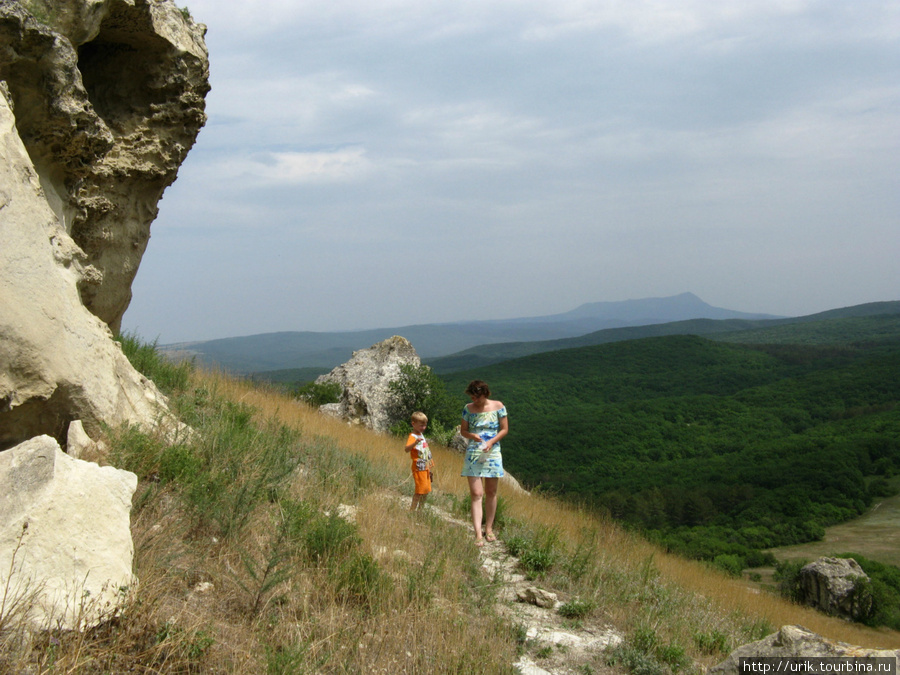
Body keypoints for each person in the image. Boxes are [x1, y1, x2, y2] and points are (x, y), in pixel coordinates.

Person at [459, 380, 508, 546]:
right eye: (472, 396)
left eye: (477, 397)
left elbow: (504, 429)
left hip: (492, 452)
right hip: (473, 453)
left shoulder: (499, 406)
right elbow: (463, 431)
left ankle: (489, 528)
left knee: (491, 491)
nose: (474, 399)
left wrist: (491, 441)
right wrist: (473, 436)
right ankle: (478, 533)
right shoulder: (468, 408)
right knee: (476, 493)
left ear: (485, 394)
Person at [404, 411, 435, 511]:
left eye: (425, 425)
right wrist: (415, 443)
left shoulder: (421, 434)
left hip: (425, 466)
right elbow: (406, 449)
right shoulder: (413, 436)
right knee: (419, 491)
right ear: (413, 424)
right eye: (421, 425)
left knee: (426, 490)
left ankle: (420, 511)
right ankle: (412, 510)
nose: (424, 428)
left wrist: (429, 467)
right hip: (418, 467)